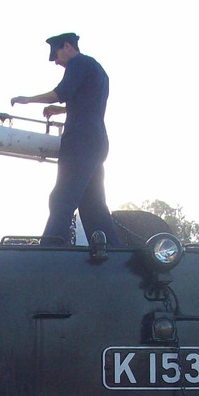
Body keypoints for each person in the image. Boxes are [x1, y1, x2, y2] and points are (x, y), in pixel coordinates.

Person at [11, 33, 121, 247]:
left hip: (80, 140)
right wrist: (61, 110)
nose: (56, 62)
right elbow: (87, 104)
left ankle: (48, 252)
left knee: (61, 198)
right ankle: (112, 251)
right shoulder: (97, 69)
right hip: (97, 141)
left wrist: (28, 100)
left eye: (56, 55)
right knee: (93, 206)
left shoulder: (78, 62)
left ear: (67, 47)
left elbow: (61, 92)